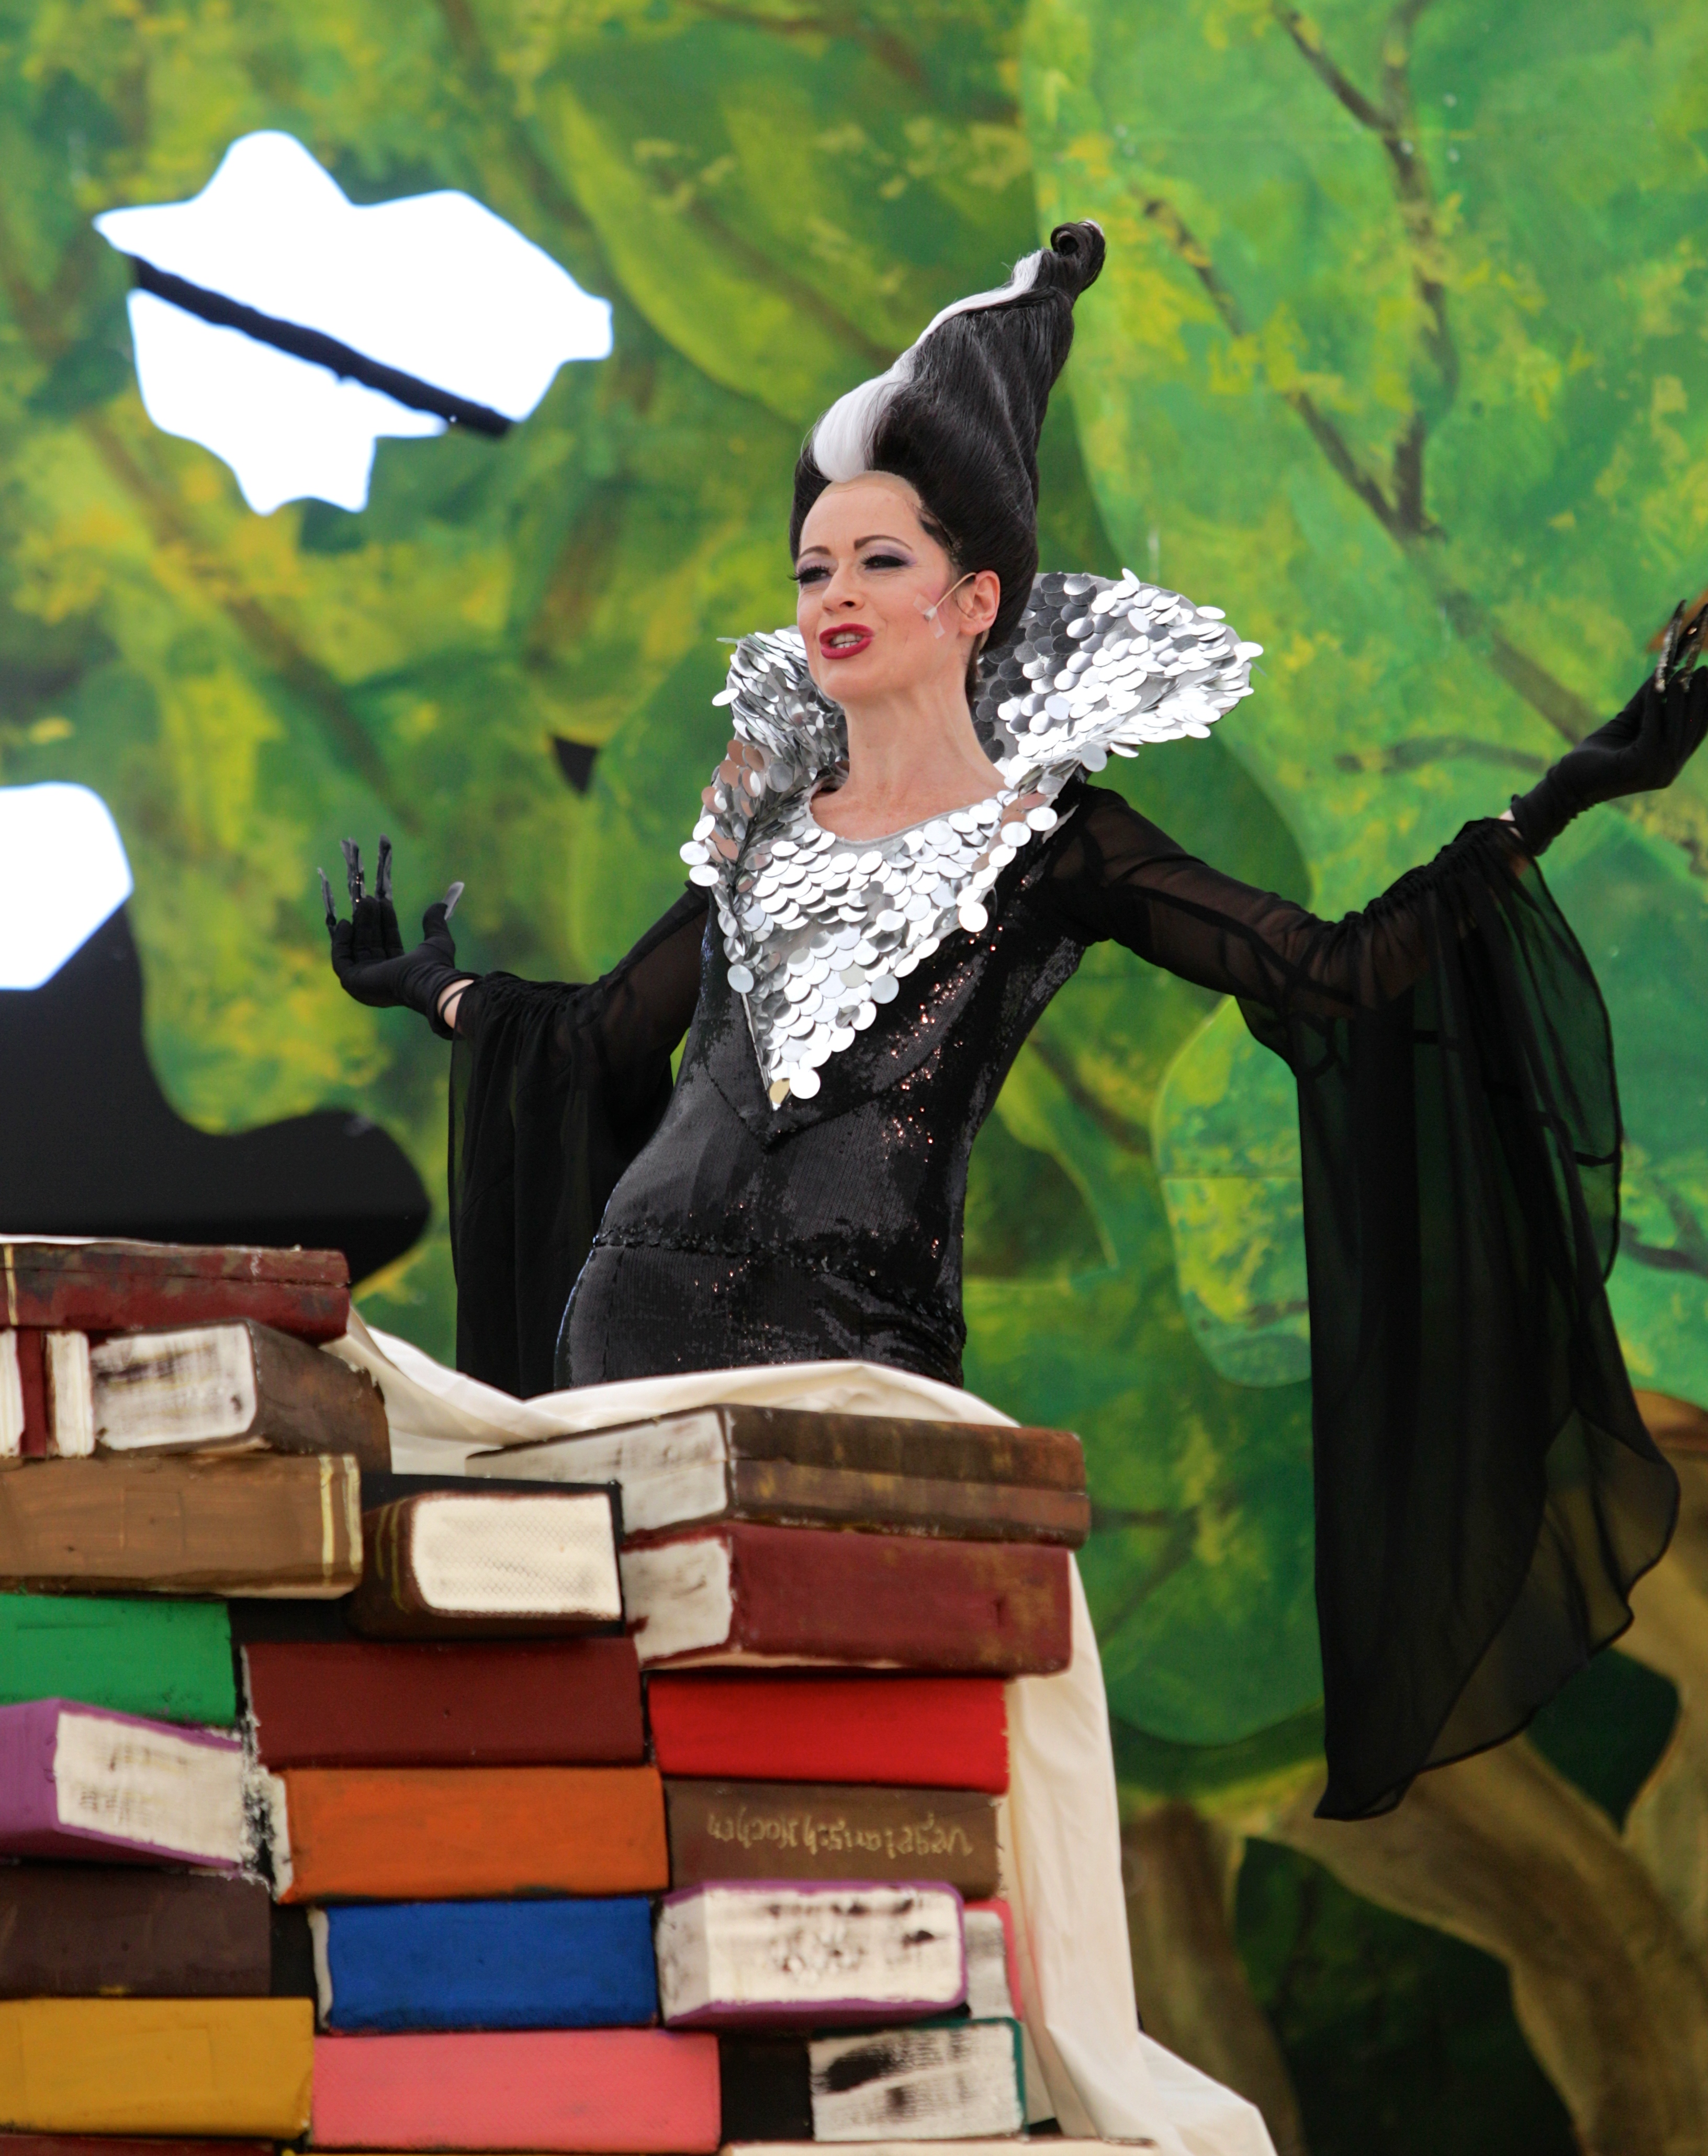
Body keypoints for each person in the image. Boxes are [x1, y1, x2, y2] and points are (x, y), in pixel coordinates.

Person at [327, 223, 1705, 1830]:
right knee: (642, 1776)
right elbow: (601, 1041)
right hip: (627, 1333)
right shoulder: (760, 832)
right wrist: (433, 989)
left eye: (879, 562)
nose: (836, 596)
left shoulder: (1057, 841)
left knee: (848, 1788)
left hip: (858, 1364)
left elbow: (1330, 973)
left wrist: (1577, 787)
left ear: (975, 597)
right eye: (814, 570)